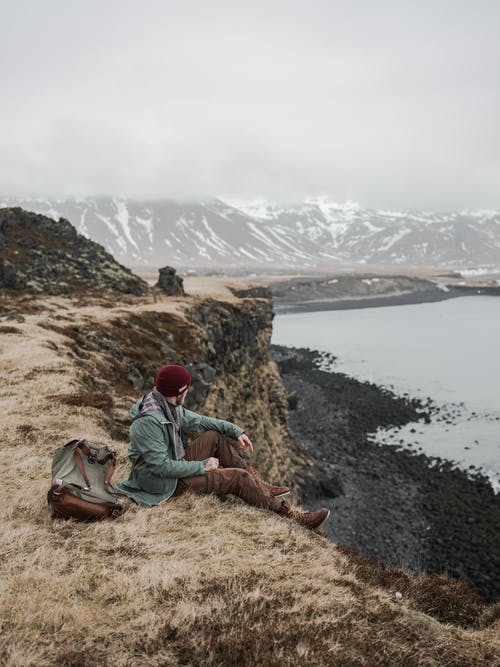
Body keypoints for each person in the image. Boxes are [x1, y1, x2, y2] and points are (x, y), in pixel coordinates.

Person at [116, 364, 330, 530]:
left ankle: (259, 485)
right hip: (164, 486)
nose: (188, 391)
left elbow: (201, 422)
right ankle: (291, 517)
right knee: (238, 478)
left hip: (175, 466)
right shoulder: (148, 422)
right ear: (180, 392)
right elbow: (160, 467)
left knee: (214, 436)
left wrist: (237, 431)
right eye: (187, 388)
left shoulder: (167, 405)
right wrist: (202, 466)